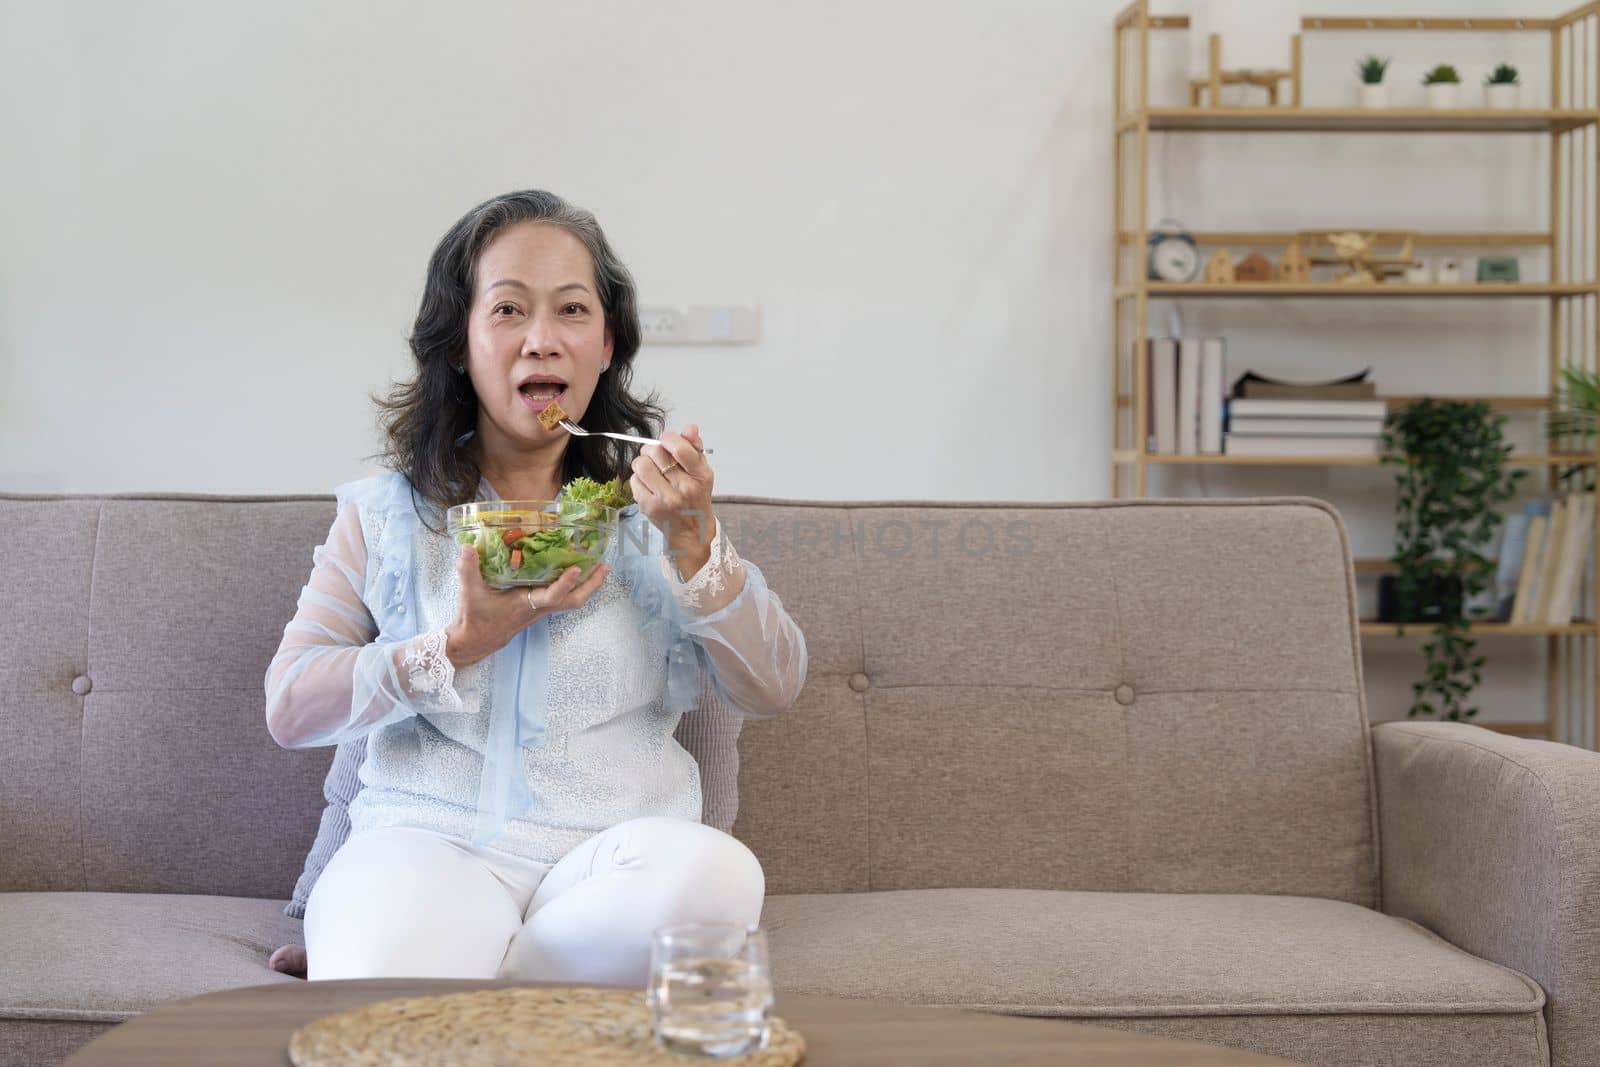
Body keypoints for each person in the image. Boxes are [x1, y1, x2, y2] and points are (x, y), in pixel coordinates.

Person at [263, 189, 807, 983]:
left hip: (615, 860)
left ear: (607, 343)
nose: (542, 342)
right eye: (509, 310)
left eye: (573, 311)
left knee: (721, 876)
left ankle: (469, 986)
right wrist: (457, 644)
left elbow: (774, 684)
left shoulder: (660, 512)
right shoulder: (383, 517)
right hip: (426, 849)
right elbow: (290, 705)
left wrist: (696, 541)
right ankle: (518, 988)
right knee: (389, 934)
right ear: (460, 344)